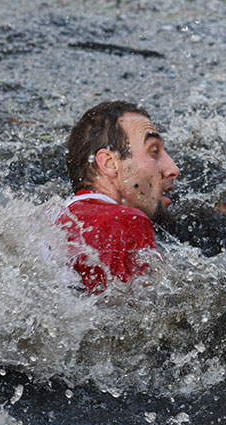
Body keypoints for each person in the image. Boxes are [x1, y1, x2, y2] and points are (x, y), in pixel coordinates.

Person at [55, 101, 180, 293]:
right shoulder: (125, 222)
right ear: (110, 163)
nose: (173, 169)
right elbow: (134, 316)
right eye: (154, 151)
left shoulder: (57, 215)